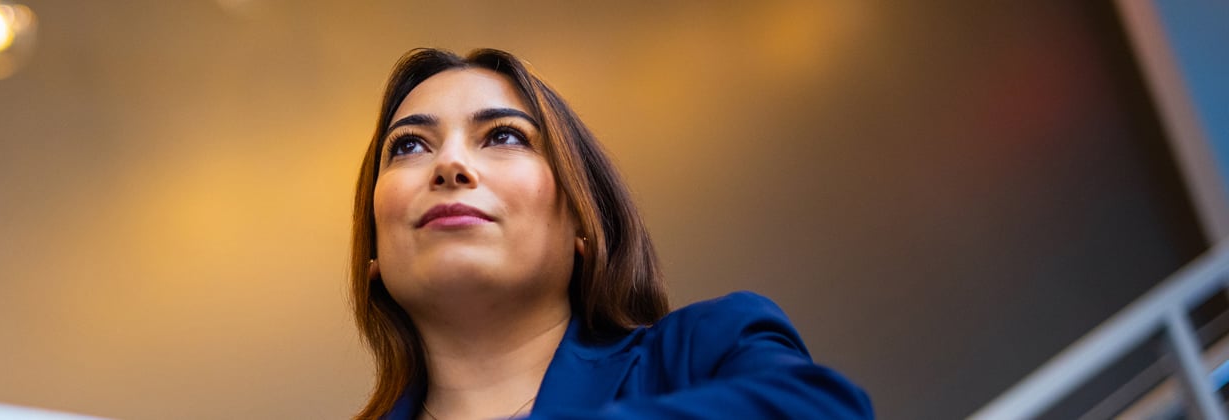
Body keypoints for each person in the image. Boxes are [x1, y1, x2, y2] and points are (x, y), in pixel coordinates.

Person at [347, 48, 873, 420]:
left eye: (504, 135)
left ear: (582, 221)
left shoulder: (708, 350)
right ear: (372, 249)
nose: (451, 164)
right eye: (410, 146)